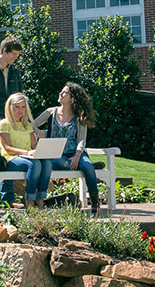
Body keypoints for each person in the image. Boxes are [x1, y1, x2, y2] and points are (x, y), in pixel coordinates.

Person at [32, 82, 102, 213]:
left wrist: (77, 156)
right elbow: (32, 124)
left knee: (87, 166)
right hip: (56, 154)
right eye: (61, 91)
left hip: (75, 152)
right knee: (64, 163)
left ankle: (94, 201)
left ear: (73, 98)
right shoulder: (50, 112)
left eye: (65, 93)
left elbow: (82, 139)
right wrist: (38, 131)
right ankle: (88, 165)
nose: (61, 94)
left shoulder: (79, 116)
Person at [0, 93, 52, 209]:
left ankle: (40, 198)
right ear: (10, 107)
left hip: (28, 157)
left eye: (23, 107)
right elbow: (7, 147)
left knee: (47, 162)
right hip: (10, 159)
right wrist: (27, 153)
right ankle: (29, 199)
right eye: (17, 107)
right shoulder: (4, 124)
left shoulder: (27, 125)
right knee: (34, 164)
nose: (20, 110)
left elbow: (33, 145)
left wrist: (41, 148)